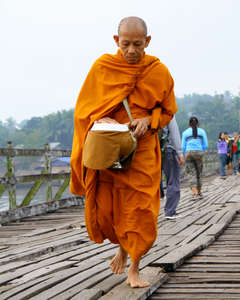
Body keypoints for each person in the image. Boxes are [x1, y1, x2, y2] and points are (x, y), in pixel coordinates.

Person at [70, 17, 177, 288]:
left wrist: (149, 121)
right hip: (110, 150)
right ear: (116, 41)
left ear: (147, 42)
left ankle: (135, 267)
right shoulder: (103, 67)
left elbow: (167, 110)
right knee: (109, 207)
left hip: (142, 150)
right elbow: (84, 110)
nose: (131, 50)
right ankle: (122, 245)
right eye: (126, 44)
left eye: (138, 44)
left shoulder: (158, 71)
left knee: (140, 208)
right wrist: (101, 118)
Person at [162, 116, 184, 220]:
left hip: (152, 151)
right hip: (168, 150)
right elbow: (175, 133)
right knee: (173, 180)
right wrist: (180, 153)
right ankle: (170, 211)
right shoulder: (168, 112)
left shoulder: (148, 110)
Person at [181, 116, 208, 199]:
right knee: (199, 173)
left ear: (189, 124)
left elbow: (183, 146)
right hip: (199, 153)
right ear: (198, 123)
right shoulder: (202, 131)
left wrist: (186, 152)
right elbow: (205, 144)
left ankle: (194, 193)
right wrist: (201, 151)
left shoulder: (185, 132)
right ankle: (199, 192)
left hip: (188, 153)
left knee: (191, 173)